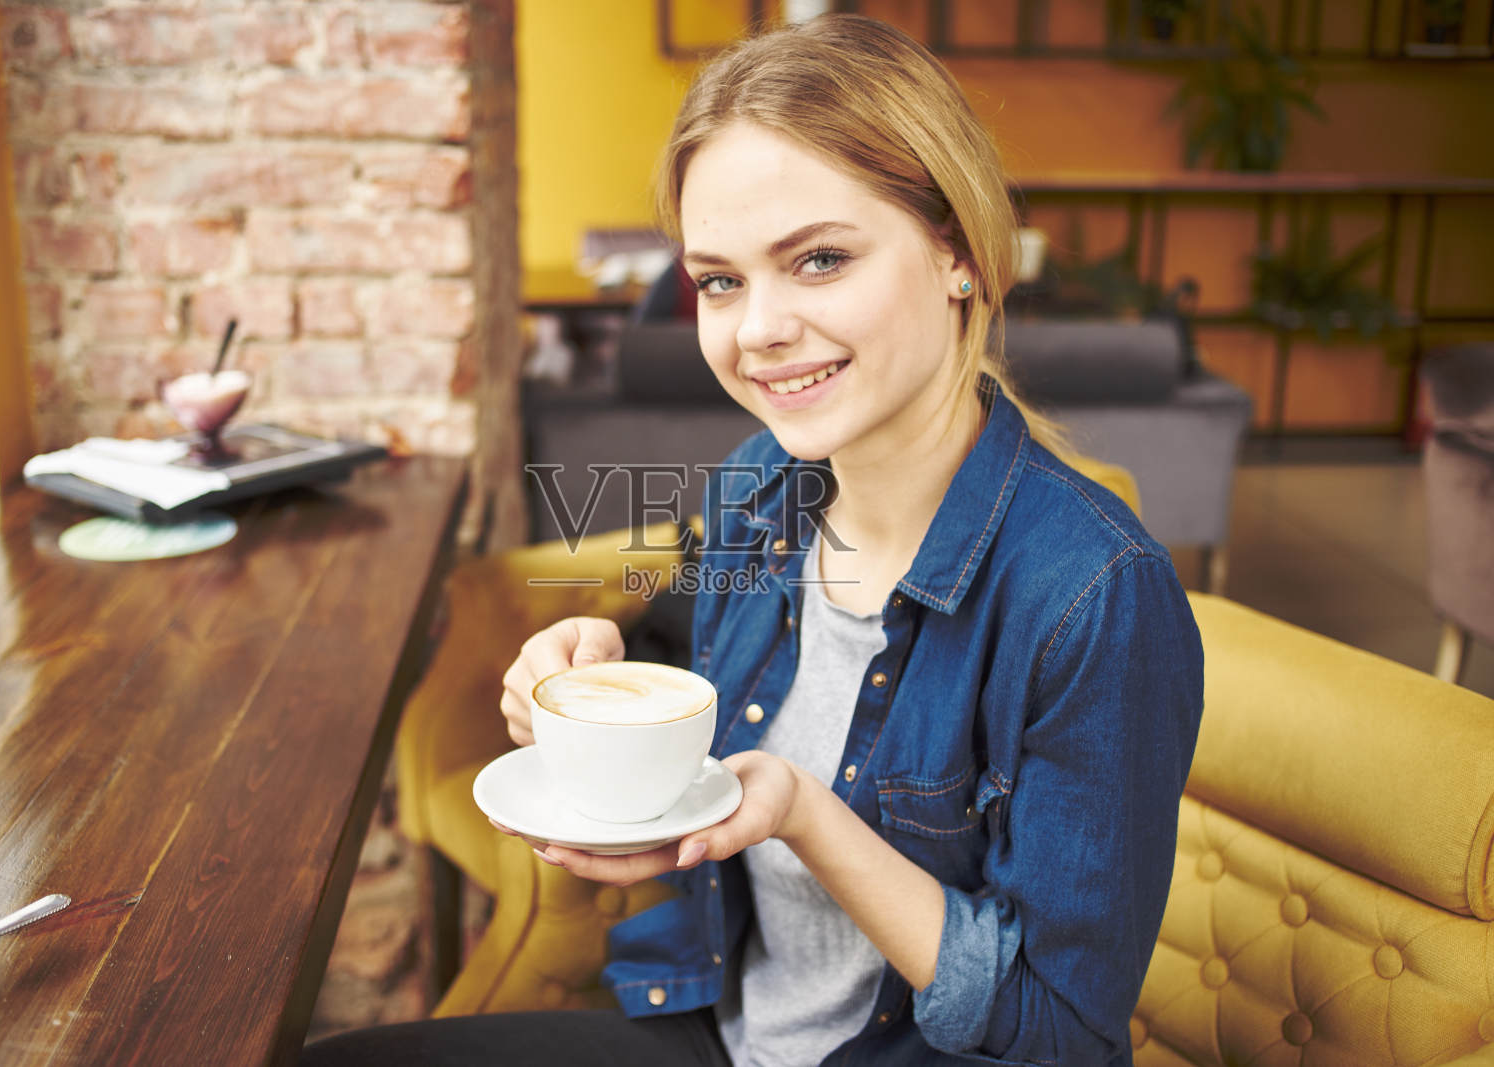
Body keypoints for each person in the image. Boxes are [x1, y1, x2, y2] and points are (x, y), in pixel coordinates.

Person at [302, 13, 1202, 1066]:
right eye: (720, 280)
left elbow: (1060, 1033)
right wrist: (593, 686)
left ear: (957, 253)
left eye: (818, 259)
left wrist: (804, 816)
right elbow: (713, 701)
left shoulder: (1092, 596)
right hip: (715, 1028)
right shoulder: (758, 488)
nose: (756, 327)